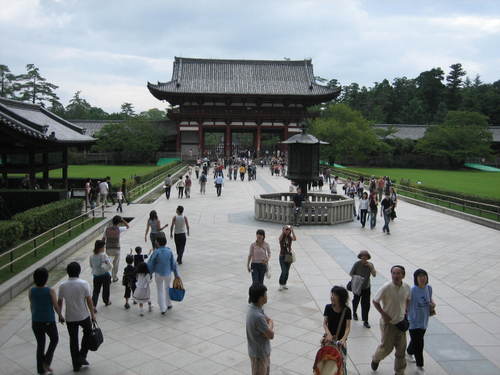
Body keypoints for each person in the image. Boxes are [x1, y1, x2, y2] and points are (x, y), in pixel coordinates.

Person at [371, 265, 411, 375]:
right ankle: (376, 358)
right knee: (386, 348)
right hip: (388, 324)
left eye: (398, 273)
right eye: (393, 273)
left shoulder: (407, 287)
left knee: (401, 350)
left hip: (401, 323)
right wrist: (383, 314)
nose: (395, 275)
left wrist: (406, 311)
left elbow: (408, 299)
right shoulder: (386, 287)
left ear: (403, 275)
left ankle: (399, 371)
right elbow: (375, 301)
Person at [57, 262, 96, 372]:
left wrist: (60, 315)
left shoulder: (63, 286)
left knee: (73, 340)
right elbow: (89, 301)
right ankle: (82, 356)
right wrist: (93, 314)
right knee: (88, 334)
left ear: (68, 272)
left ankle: (76, 364)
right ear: (79, 271)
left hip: (70, 317)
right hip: (84, 315)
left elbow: (60, 302)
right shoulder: (84, 284)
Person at [30, 267, 64, 375]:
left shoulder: (31, 290)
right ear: (46, 278)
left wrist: (34, 316)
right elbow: (55, 305)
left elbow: (32, 304)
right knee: (54, 339)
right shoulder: (50, 291)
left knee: (40, 344)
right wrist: (60, 315)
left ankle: (40, 369)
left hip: (36, 321)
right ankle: (46, 362)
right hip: (48, 321)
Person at [407, 269, 435, 369]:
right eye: (420, 276)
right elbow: (406, 302)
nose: (422, 278)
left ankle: (409, 352)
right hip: (413, 321)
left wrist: (432, 303)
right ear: (416, 278)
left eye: (424, 276)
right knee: (419, 344)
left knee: (416, 340)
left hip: (424, 319)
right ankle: (420, 366)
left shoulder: (429, 288)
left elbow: (430, 298)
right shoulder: (412, 290)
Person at [147, 234, 180, 315]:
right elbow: (174, 264)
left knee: (160, 290)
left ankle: (162, 308)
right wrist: (176, 274)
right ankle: (169, 304)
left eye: (156, 241)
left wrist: (150, 273)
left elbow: (151, 263)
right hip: (168, 273)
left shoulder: (156, 252)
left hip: (158, 274)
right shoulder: (169, 251)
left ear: (158, 243)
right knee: (167, 288)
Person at [246, 284, 274, 375]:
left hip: (259, 352)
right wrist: (269, 327)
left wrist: (267, 327)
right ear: (260, 298)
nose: (267, 296)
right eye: (265, 294)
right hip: (259, 355)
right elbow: (271, 335)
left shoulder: (255, 309)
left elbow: (270, 320)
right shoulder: (258, 316)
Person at [323, 286, 352, 365]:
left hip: (341, 341)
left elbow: (348, 327)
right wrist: (328, 334)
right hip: (329, 339)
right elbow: (325, 323)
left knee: (341, 363)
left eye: (334, 295)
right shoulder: (328, 307)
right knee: (325, 362)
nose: (332, 297)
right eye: (331, 295)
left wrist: (343, 339)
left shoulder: (347, 310)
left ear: (341, 297)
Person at [350, 250, 376, 328]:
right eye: (362, 256)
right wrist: (358, 278)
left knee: (366, 304)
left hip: (366, 287)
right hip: (357, 287)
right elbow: (351, 273)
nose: (364, 257)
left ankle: (365, 320)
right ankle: (354, 312)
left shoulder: (370, 265)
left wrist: (371, 267)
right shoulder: (357, 264)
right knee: (356, 300)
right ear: (360, 256)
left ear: (368, 257)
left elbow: (374, 274)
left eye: (366, 256)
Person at [102, 215, 129, 282]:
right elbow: (128, 226)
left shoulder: (106, 229)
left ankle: (108, 276)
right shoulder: (119, 229)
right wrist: (122, 219)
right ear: (119, 222)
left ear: (112, 221)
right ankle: (114, 277)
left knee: (109, 263)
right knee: (115, 264)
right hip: (116, 249)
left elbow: (103, 239)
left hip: (108, 249)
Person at [89, 240, 112, 309]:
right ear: (101, 247)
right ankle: (106, 301)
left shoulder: (91, 256)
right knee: (106, 289)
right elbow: (109, 265)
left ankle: (93, 305)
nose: (104, 248)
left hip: (96, 275)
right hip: (105, 275)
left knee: (96, 291)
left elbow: (91, 265)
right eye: (103, 247)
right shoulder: (104, 255)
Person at [278, 225, 296, 291]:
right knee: (284, 271)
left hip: (288, 255)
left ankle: (284, 284)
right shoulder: (282, 237)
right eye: (286, 229)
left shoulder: (289, 237)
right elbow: (279, 239)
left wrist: (293, 231)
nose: (287, 231)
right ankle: (280, 284)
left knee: (287, 271)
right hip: (282, 256)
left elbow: (295, 239)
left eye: (288, 230)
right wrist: (283, 232)